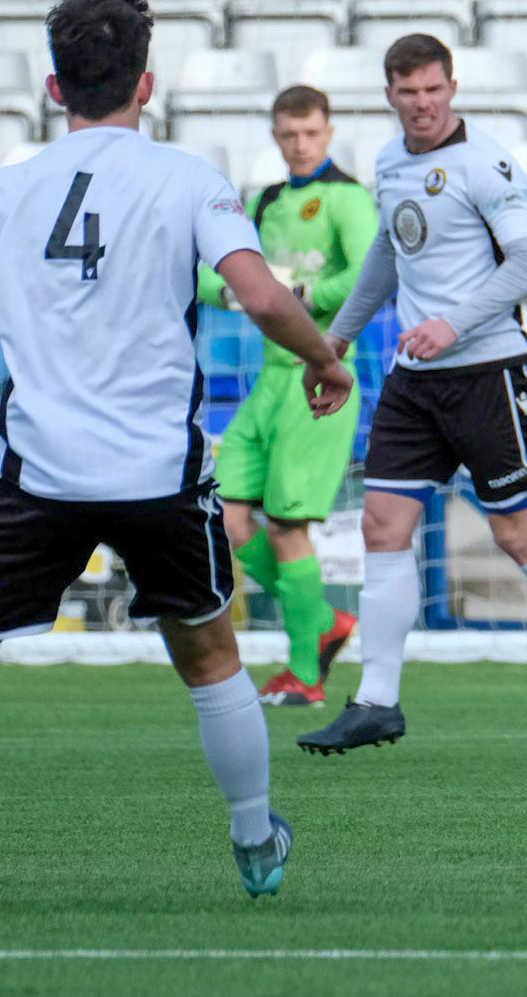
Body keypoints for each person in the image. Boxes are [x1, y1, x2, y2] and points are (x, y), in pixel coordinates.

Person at [0, 0, 353, 899]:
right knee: (213, 660)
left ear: (56, 87)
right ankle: (257, 842)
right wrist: (327, 362)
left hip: (39, 475)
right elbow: (263, 296)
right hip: (159, 474)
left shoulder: (8, 191)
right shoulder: (188, 179)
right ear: (146, 86)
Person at [295, 34, 527, 762]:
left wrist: (453, 323)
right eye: (407, 92)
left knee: (515, 534)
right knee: (382, 527)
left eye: (432, 90)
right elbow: (388, 253)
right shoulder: (386, 163)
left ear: (452, 88)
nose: (421, 104)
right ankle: (376, 701)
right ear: (388, 93)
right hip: (417, 381)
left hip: (487, 373)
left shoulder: (485, 163)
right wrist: (337, 343)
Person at [196, 85, 379, 707]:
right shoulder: (265, 202)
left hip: (322, 374)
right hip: (269, 383)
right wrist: (238, 292)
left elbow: (370, 272)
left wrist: (298, 293)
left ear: (329, 133)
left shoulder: (349, 199)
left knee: (286, 527)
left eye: (310, 134)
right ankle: (323, 622)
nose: (300, 146)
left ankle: (305, 672)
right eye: (288, 135)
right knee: (227, 516)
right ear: (276, 137)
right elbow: (210, 268)